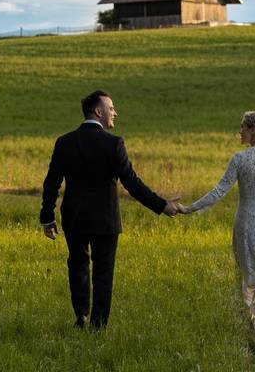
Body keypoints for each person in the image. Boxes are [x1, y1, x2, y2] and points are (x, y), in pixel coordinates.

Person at [40, 90, 182, 330]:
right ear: (98, 111)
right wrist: (162, 205)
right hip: (105, 219)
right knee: (103, 273)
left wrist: (47, 216)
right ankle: (98, 325)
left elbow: (52, 182)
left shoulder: (64, 142)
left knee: (77, 265)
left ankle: (81, 316)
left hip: (74, 217)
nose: (115, 112)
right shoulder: (114, 144)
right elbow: (132, 183)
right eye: (111, 107)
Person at [180, 111, 255, 341]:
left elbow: (218, 192)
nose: (240, 131)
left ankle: (254, 323)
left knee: (249, 275)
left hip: (246, 225)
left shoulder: (240, 159)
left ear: (254, 130)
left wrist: (190, 208)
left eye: (243, 127)